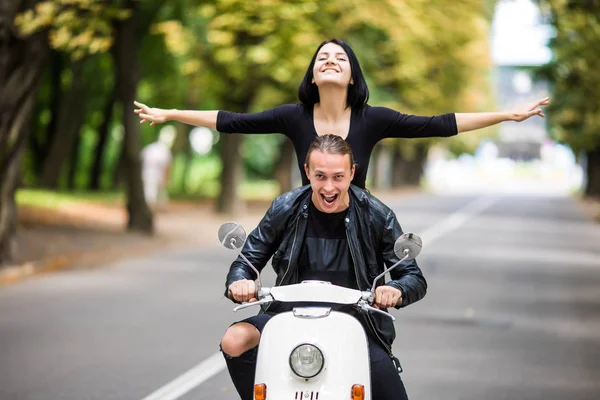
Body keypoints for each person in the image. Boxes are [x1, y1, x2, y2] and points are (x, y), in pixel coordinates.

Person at [134, 38, 549, 189]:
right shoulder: (291, 116)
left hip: (360, 229)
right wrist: (170, 113)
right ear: (313, 75)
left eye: (339, 58)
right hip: (305, 226)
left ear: (352, 76)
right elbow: (230, 120)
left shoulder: (375, 119)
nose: (329, 60)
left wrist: (507, 116)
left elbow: (441, 125)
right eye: (321, 58)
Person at [220, 134, 426, 400]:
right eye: (320, 176)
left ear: (352, 173)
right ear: (307, 172)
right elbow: (245, 261)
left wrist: (395, 289)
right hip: (288, 316)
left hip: (358, 322)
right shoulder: (285, 208)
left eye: (338, 176)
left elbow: (413, 277)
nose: (329, 187)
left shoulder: (376, 214)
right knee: (234, 339)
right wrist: (240, 281)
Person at [140, 130, 173, 209]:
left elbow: (141, 162)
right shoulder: (164, 150)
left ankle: (154, 207)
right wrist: (167, 178)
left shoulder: (147, 149)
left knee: (152, 191)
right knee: (153, 192)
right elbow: (167, 165)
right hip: (157, 173)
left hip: (147, 173)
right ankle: (152, 208)